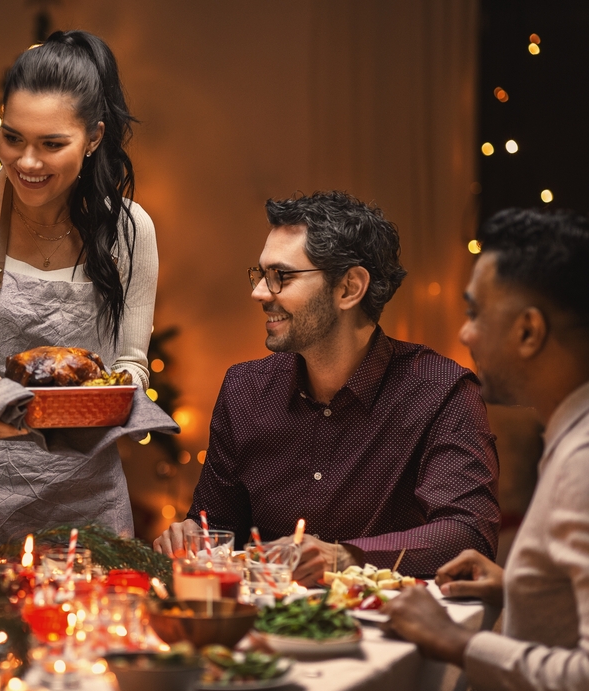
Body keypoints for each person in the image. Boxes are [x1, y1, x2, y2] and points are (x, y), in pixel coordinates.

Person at [384, 208, 589, 691]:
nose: (464, 333)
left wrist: (456, 644)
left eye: (476, 313)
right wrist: (526, 587)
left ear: (529, 330)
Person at [155, 191, 501, 584]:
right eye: (261, 274)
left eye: (281, 276)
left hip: (392, 631)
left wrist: (344, 557)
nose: (259, 293)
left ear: (349, 288)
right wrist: (192, 536)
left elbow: (468, 534)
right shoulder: (245, 390)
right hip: (266, 629)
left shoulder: (441, 392)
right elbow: (216, 527)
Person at [0, 30, 158, 557]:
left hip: (88, 510)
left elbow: (132, 365)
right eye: (13, 137)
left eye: (51, 144)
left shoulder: (130, 230)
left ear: (93, 138)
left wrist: (102, 400)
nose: (26, 162)